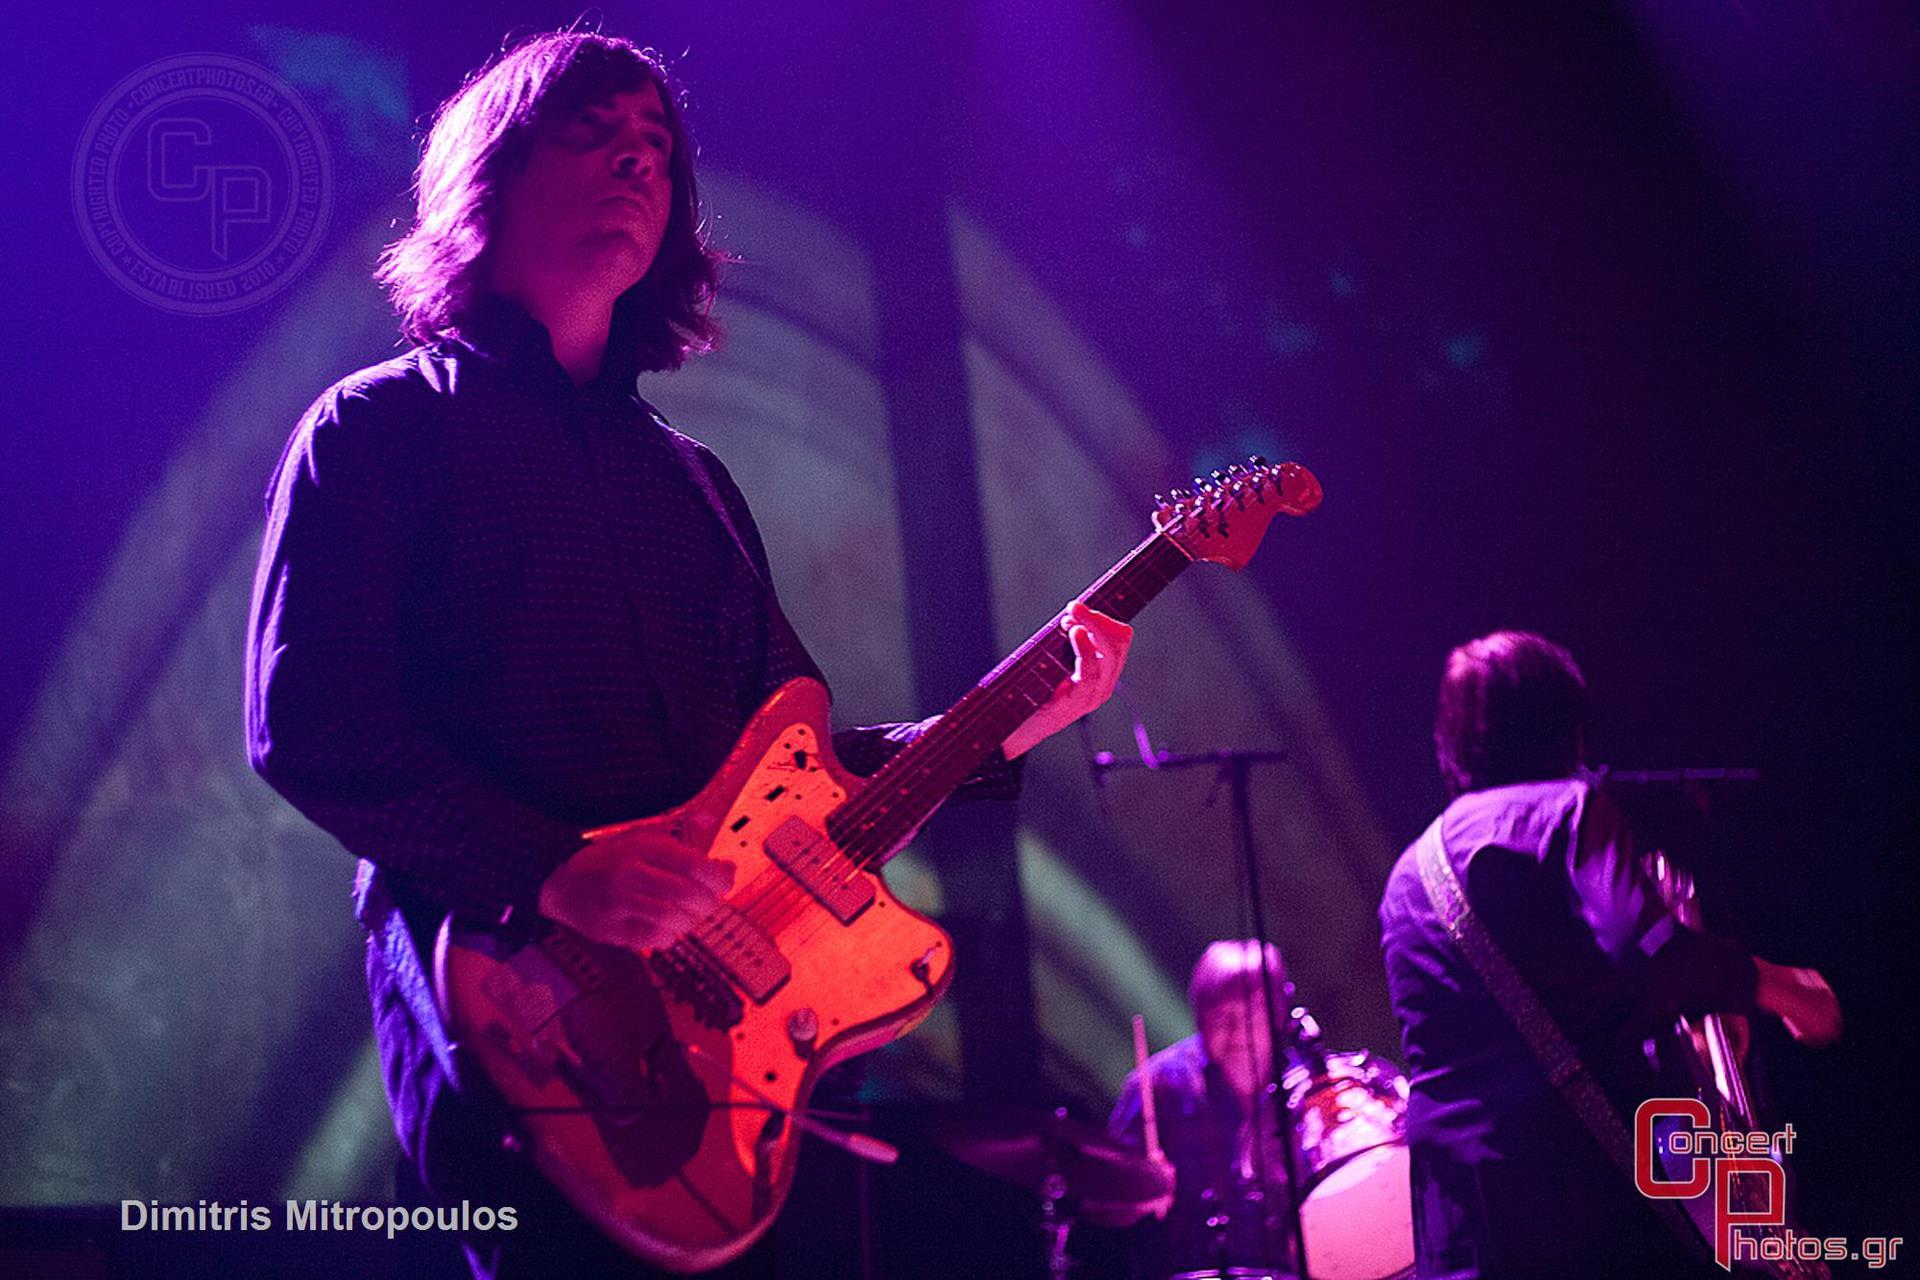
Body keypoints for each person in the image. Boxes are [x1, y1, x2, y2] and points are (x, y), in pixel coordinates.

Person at [244, 30, 1132, 1279]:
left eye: (658, 149)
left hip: (724, 1057)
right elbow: (310, 722)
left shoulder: (694, 484)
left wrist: (995, 732)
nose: (636, 164)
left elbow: (787, 772)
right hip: (521, 1021)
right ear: (490, 174)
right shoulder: (377, 428)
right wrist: (553, 871)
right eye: (595, 135)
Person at [1377, 631, 1841, 1278]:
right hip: (1577, 1191)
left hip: (1461, 1212)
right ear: (1567, 729)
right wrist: (1788, 991)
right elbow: (1652, 954)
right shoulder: (1567, 812)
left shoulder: (1407, 874)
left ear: (1450, 741)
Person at [1108, 939, 1307, 1278]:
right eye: (1222, 1016)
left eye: (1252, 1014)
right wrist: (1137, 1191)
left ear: (1277, 1014)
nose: (1239, 1031)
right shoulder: (1157, 1085)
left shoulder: (1307, 1087)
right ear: (1200, 1017)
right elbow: (1099, 1201)